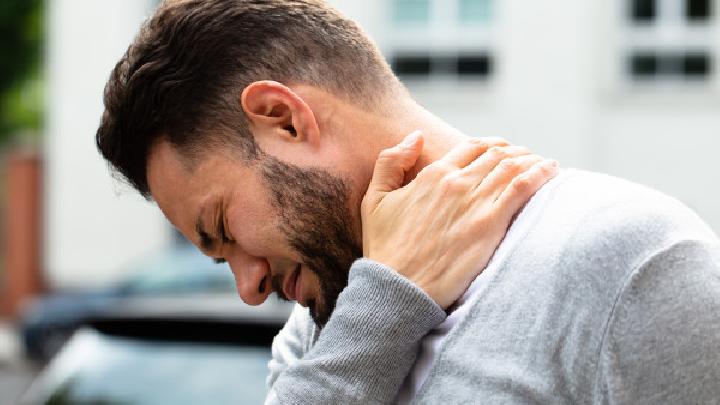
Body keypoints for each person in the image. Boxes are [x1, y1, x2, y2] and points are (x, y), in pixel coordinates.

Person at [95, 0, 720, 403]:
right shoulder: (326, 330)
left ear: (283, 118)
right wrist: (383, 304)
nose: (248, 288)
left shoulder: (631, 262)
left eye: (223, 227)